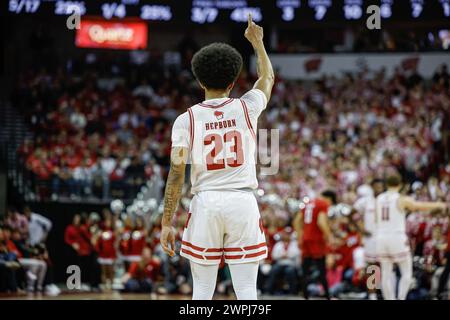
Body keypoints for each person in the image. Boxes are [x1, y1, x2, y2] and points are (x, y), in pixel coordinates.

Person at [160, 14, 274, 300]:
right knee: (247, 290)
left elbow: (176, 174)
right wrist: (257, 44)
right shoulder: (247, 108)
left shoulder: (186, 119)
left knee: (201, 290)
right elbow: (267, 77)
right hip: (242, 201)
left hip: (206, 202)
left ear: (199, 81)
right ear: (235, 81)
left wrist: (166, 222)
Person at [375, 173, 447, 300]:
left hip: (380, 237)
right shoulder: (400, 198)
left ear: (386, 184)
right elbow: (418, 206)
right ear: (400, 184)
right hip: (396, 236)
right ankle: (401, 298)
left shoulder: (378, 198)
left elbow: (376, 219)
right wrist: (439, 205)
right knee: (406, 272)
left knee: (385, 272)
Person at [293, 190, 336, 299]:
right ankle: (327, 295)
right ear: (329, 199)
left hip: (306, 239)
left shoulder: (308, 203)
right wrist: (329, 236)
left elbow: (297, 221)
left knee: (305, 269)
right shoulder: (323, 204)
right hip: (317, 240)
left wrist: (299, 236)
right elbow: (321, 222)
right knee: (321, 269)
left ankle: (305, 295)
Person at [353, 179, 384, 299]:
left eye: (380, 187)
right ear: (372, 187)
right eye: (376, 187)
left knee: (386, 266)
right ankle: (372, 295)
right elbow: (351, 213)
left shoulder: (386, 200)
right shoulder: (365, 201)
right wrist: (360, 229)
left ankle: (385, 293)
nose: (378, 189)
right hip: (371, 238)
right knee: (372, 266)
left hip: (384, 237)